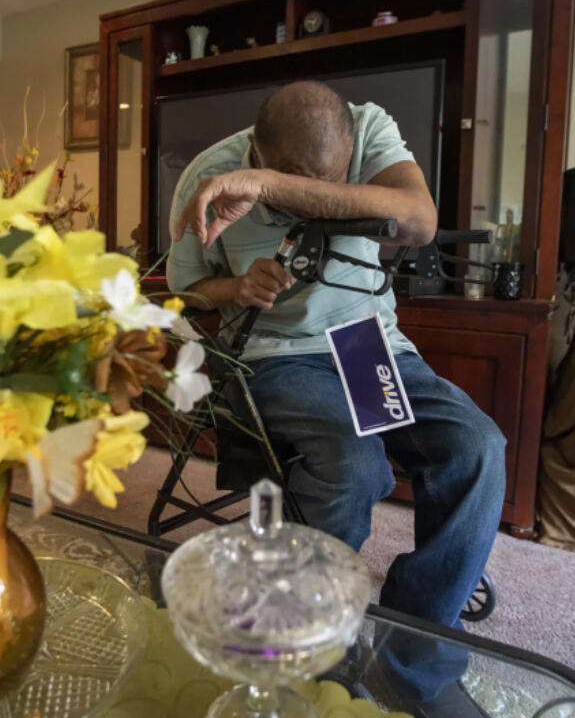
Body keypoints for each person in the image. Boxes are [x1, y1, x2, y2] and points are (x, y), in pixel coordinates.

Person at [166, 81, 505, 716]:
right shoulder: (208, 175)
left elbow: (421, 221)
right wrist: (237, 286)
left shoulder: (369, 125)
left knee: (477, 448)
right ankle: (320, 657)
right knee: (353, 466)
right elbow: (188, 289)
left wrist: (269, 190)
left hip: (368, 347)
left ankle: (413, 663)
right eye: (283, 180)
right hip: (277, 354)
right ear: (255, 152)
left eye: (328, 183)